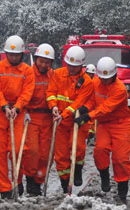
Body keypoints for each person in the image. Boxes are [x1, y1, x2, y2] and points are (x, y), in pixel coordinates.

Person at [76, 57, 130, 200]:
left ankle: (122, 186)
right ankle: (104, 175)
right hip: (103, 124)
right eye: (102, 78)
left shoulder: (120, 89)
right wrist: (85, 108)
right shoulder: (96, 83)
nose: (104, 81)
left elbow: (105, 108)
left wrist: (88, 116)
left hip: (121, 124)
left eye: (107, 78)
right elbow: (92, 100)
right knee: (100, 151)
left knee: (121, 158)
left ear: (114, 75)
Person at [0, 35, 35, 199]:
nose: (14, 57)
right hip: (0, 112)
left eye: (17, 55)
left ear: (22, 55)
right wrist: (3, 105)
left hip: (18, 112)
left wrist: (17, 107)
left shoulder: (27, 71)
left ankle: (17, 180)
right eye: (11, 54)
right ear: (6, 53)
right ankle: (4, 188)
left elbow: (27, 92)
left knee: (17, 149)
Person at [46, 45, 94, 193]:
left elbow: (78, 103)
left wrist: (64, 114)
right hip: (59, 120)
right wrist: (53, 106)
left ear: (81, 65)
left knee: (78, 148)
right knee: (60, 155)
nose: (71, 68)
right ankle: (65, 183)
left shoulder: (87, 81)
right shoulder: (58, 74)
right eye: (69, 65)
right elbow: (51, 92)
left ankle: (78, 169)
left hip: (76, 121)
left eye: (75, 66)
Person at [22, 43, 55, 196]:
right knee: (32, 151)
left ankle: (39, 181)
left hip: (48, 117)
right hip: (32, 116)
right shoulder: (28, 73)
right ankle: (29, 179)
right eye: (41, 61)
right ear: (36, 59)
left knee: (45, 153)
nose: (44, 64)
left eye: (47, 62)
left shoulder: (52, 75)